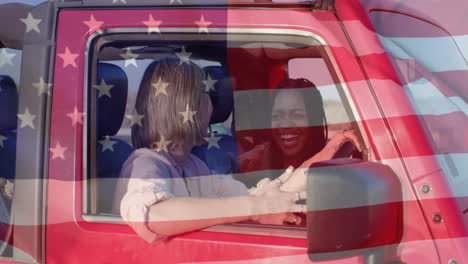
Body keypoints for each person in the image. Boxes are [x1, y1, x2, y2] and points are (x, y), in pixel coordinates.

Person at [119, 58, 306, 243]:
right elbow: (150, 215)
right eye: (207, 93)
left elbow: (248, 197)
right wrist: (256, 207)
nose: (214, 104)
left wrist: (313, 171)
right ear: (188, 105)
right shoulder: (145, 163)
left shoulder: (193, 166)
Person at [237, 78, 362, 192]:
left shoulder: (335, 165)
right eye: (276, 116)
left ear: (314, 120)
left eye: (297, 115)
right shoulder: (256, 160)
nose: (285, 125)